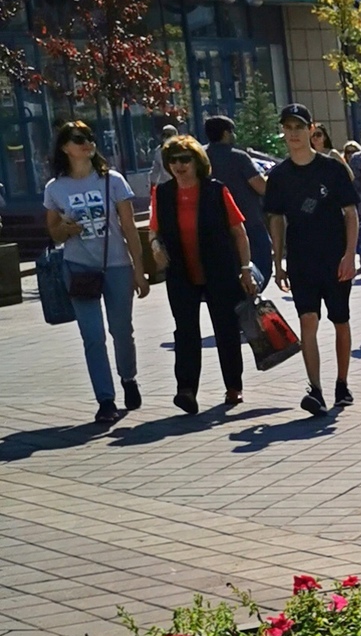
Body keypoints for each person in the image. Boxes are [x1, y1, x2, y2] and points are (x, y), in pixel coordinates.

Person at [43, 118, 151, 427]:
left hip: (116, 265)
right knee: (92, 336)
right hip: (78, 267)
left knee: (121, 331)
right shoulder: (55, 188)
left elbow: (129, 228)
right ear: (65, 147)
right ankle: (106, 400)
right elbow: (53, 232)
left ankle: (128, 377)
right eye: (79, 139)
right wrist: (66, 228)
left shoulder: (112, 180)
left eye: (89, 137)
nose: (87, 143)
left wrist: (139, 270)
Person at [149, 133, 258, 414]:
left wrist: (245, 269)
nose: (178, 165)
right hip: (180, 271)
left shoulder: (215, 190)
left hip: (220, 270)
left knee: (226, 330)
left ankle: (234, 386)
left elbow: (239, 232)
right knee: (185, 331)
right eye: (172, 160)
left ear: (197, 161)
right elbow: (154, 229)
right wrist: (154, 245)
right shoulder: (162, 194)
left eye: (184, 159)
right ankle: (186, 390)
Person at [265, 105, 360, 414]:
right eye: (288, 127)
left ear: (310, 129)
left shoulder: (331, 169)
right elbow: (276, 219)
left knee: (340, 320)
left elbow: (351, 214)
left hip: (334, 257)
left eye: (299, 126)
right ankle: (315, 389)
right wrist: (278, 261)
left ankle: (342, 384)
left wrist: (350, 254)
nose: (293, 133)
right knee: (308, 319)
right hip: (301, 259)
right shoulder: (279, 175)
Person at [202, 114, 273, 283]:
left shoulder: (200, 158)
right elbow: (261, 187)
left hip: (214, 226)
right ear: (226, 133)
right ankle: (249, 301)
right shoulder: (239, 157)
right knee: (261, 268)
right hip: (249, 222)